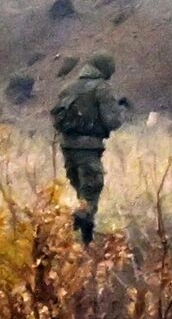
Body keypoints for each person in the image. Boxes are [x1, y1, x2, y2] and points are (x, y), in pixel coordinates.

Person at [51, 52, 127, 243]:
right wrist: (121, 109)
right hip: (89, 148)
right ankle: (84, 240)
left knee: (82, 192)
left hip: (67, 146)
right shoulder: (102, 89)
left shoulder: (68, 88)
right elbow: (113, 122)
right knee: (92, 190)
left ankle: (79, 237)